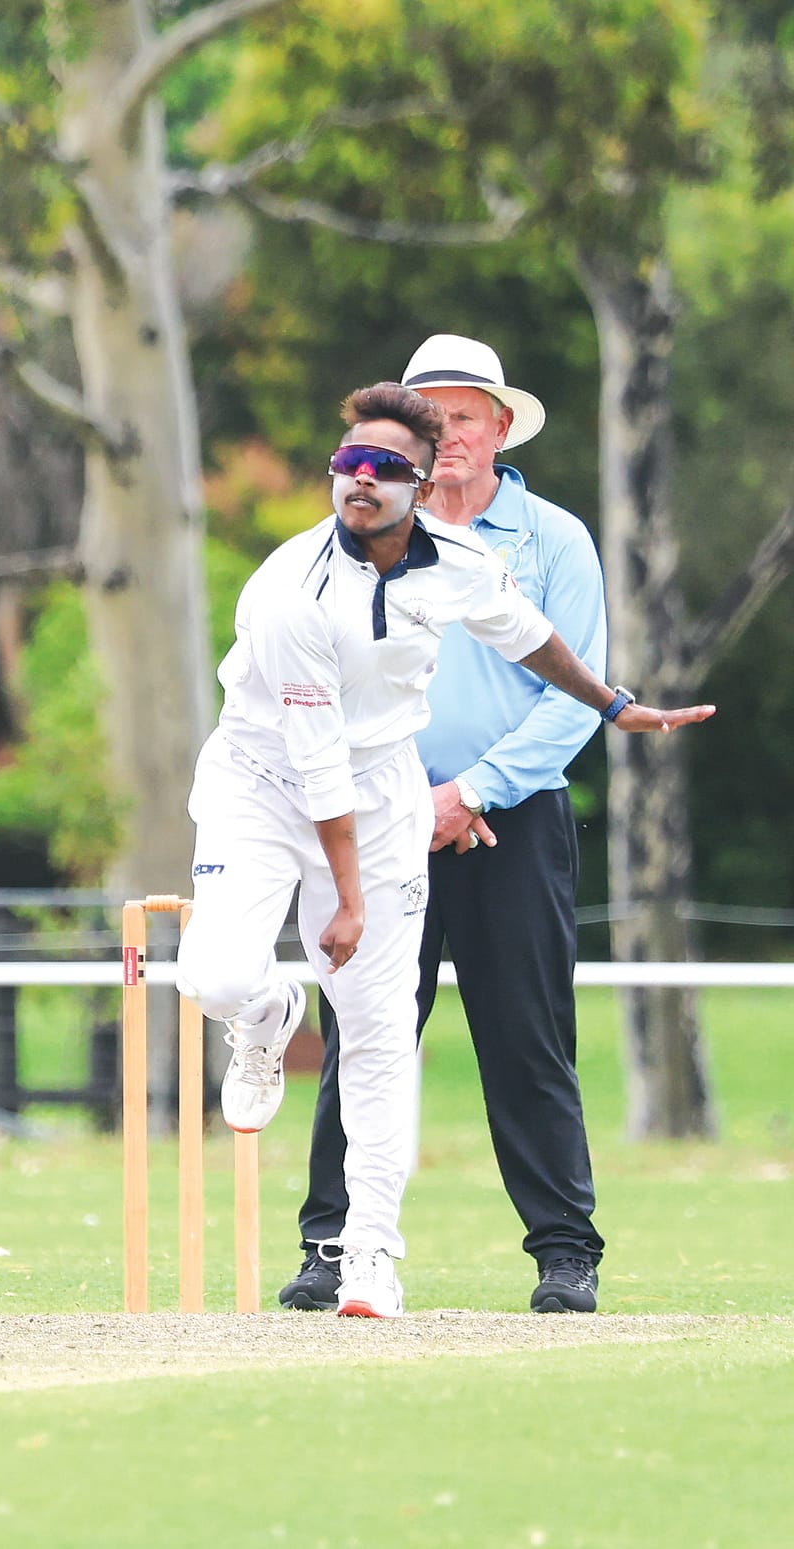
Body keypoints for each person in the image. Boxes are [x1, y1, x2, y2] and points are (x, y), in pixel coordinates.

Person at [176, 381, 711, 1320]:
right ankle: (267, 1012)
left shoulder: (470, 556)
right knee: (219, 979)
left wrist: (617, 706)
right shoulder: (289, 592)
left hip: (399, 792)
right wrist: (348, 899)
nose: (363, 481)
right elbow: (315, 762)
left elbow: (539, 643)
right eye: (349, 464)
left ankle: (370, 1253)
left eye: (386, 469)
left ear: (423, 483)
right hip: (274, 784)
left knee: (402, 1027)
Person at [280, 336, 611, 1317]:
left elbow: (574, 694)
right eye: (430, 421)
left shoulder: (552, 538)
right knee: (366, 1036)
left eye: (464, 417)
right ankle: (330, 1246)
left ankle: (563, 1252)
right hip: (380, 826)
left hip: (510, 825)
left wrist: (468, 792)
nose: (448, 437)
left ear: (498, 427)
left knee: (527, 1039)